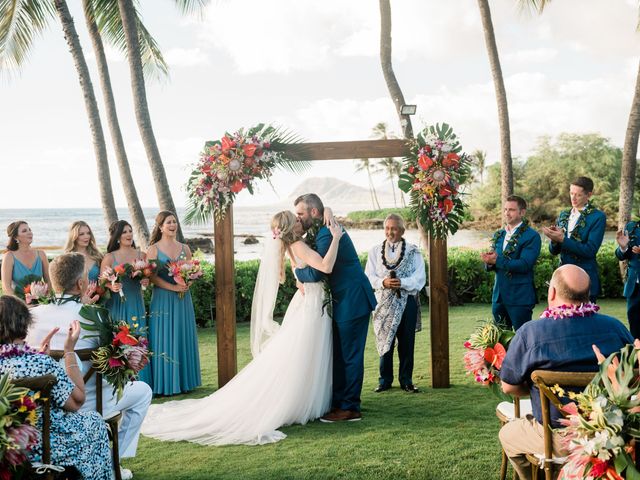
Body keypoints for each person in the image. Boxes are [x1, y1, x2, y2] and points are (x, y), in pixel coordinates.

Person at [141, 210, 342, 445]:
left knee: (302, 354)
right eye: (296, 219)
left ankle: (308, 398)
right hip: (311, 306)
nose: (301, 220)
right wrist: (336, 237)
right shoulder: (297, 246)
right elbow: (326, 267)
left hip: (310, 304)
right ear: (290, 226)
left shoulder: (290, 247)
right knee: (302, 354)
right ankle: (299, 401)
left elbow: (300, 275)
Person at [498, 265, 634, 480]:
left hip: (556, 438)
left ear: (552, 292)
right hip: (612, 433)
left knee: (507, 434)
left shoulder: (530, 333)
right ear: (588, 296)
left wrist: (537, 389)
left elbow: (508, 386)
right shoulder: (615, 328)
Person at [26, 253, 151, 480]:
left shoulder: (32, 317)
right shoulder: (96, 318)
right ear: (81, 284)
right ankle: (113, 462)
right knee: (143, 391)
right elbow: (115, 361)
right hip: (93, 404)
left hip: (44, 406)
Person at [0, 295, 113, 479]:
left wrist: (39, 356)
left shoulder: (31, 360)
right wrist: (69, 351)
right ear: (24, 325)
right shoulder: (41, 363)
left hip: (8, 446)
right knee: (94, 421)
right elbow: (77, 402)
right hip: (45, 444)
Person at [294, 193, 377, 422]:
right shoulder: (323, 228)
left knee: (350, 355)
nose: (297, 218)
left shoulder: (326, 232)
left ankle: (350, 408)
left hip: (353, 299)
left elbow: (319, 270)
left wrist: (297, 273)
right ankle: (341, 402)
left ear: (313, 212)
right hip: (344, 300)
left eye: (301, 213)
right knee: (341, 354)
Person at [365, 213, 425, 393]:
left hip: (407, 301)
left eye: (394, 228)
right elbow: (369, 277)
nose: (390, 232)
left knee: (406, 342)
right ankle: (385, 381)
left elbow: (420, 278)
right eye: (387, 228)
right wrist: (383, 283)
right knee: (385, 340)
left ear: (402, 230)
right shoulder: (375, 251)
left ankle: (406, 381)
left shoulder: (413, 251)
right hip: (383, 303)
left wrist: (402, 283)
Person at [146, 211, 200, 395]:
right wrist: (173, 287)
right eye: (168, 222)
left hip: (183, 300)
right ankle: (165, 384)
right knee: (163, 339)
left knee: (182, 336)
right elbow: (151, 277)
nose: (172, 225)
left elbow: (192, 271)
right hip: (162, 299)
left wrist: (188, 282)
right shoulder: (153, 249)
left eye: (174, 221)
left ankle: (185, 382)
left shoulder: (185, 248)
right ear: (160, 227)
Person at [101, 220, 151, 384]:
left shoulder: (141, 255)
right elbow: (103, 282)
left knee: (138, 338)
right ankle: (120, 380)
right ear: (117, 237)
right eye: (124, 232)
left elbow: (147, 277)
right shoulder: (109, 257)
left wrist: (145, 282)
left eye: (130, 231)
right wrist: (112, 286)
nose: (129, 234)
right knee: (119, 340)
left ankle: (140, 380)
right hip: (117, 304)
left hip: (136, 302)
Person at [481, 195, 541, 331]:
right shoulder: (499, 235)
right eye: (505, 209)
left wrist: (497, 260)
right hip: (499, 296)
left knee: (522, 339)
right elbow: (495, 262)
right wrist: (489, 262)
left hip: (520, 297)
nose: (507, 213)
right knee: (500, 342)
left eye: (512, 210)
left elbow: (525, 264)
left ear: (522, 212)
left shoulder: (532, 236)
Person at [542, 176, 606, 303]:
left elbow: (590, 250)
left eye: (578, 195)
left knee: (585, 321)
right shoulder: (564, 215)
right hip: (563, 278)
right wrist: (554, 240)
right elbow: (553, 251)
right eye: (571, 193)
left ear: (589, 195)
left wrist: (563, 239)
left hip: (585, 279)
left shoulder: (598, 217)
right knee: (561, 321)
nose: (573, 198)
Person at [1, 221, 50, 297]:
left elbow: (49, 280)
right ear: (15, 237)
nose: (30, 233)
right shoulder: (9, 257)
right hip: (17, 304)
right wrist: (22, 305)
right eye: (24, 231)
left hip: (40, 303)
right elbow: (6, 287)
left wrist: (46, 299)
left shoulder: (41, 254)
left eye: (29, 230)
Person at [615, 219, 640, 338]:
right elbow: (621, 255)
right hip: (634, 286)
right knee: (634, 328)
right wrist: (623, 247)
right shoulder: (631, 227)